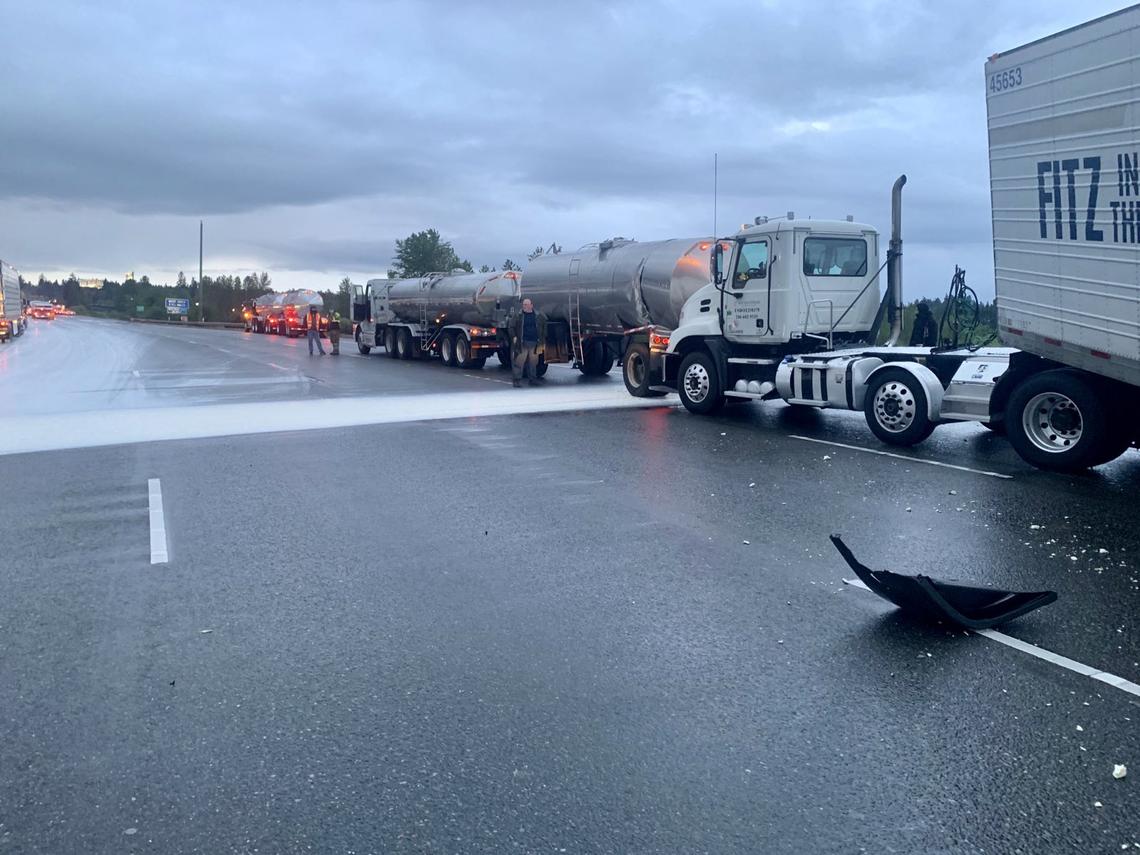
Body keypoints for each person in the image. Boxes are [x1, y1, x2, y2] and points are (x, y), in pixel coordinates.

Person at [510, 298, 546, 387]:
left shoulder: (538, 315)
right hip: (522, 343)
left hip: (534, 342)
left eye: (527, 304)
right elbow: (511, 326)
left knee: (533, 363)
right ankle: (517, 380)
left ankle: (533, 379)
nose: (525, 306)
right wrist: (514, 336)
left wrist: (542, 338)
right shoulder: (518, 315)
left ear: (531, 305)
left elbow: (544, 326)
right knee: (519, 362)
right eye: (524, 305)